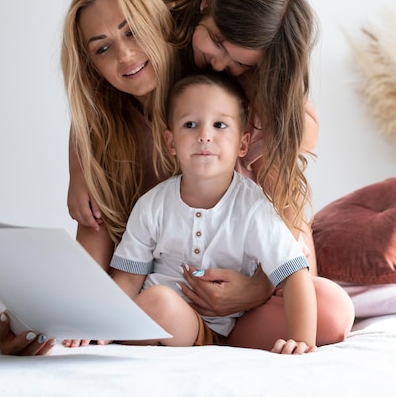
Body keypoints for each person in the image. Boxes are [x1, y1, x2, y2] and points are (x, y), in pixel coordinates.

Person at [0, 0, 354, 354]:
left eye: (132, 32)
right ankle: (106, 322)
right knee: (31, 298)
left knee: (328, 308)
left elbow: (293, 164)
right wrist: (77, 169)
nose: (127, 54)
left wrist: (260, 288)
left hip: (251, 280)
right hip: (171, 300)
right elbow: (97, 242)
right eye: (102, 48)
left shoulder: (230, 91)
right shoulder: (116, 124)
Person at [111, 72, 317, 354]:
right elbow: (127, 277)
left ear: (243, 144)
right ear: (171, 143)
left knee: (160, 303)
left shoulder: (253, 207)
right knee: (152, 301)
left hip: (205, 326)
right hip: (156, 309)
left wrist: (302, 340)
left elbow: (295, 274)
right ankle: (111, 332)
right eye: (190, 124)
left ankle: (131, 330)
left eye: (220, 125)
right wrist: (100, 323)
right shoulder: (152, 205)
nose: (204, 135)